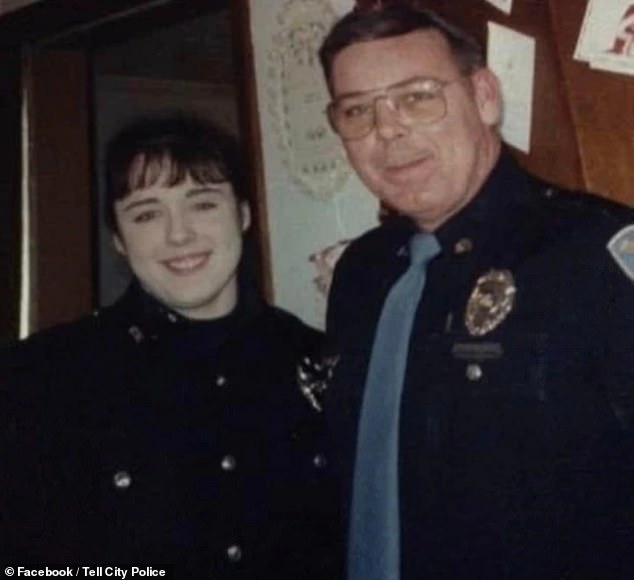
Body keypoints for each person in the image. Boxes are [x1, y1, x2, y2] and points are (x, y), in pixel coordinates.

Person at [318, 4, 634, 579]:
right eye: (357, 110)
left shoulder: (594, 254)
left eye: (417, 96)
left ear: (485, 97)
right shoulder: (362, 273)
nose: (387, 129)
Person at [0, 116, 341, 579]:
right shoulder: (41, 376)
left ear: (243, 214)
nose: (178, 234)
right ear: (119, 238)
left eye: (202, 204)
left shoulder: (319, 361)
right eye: (146, 213)